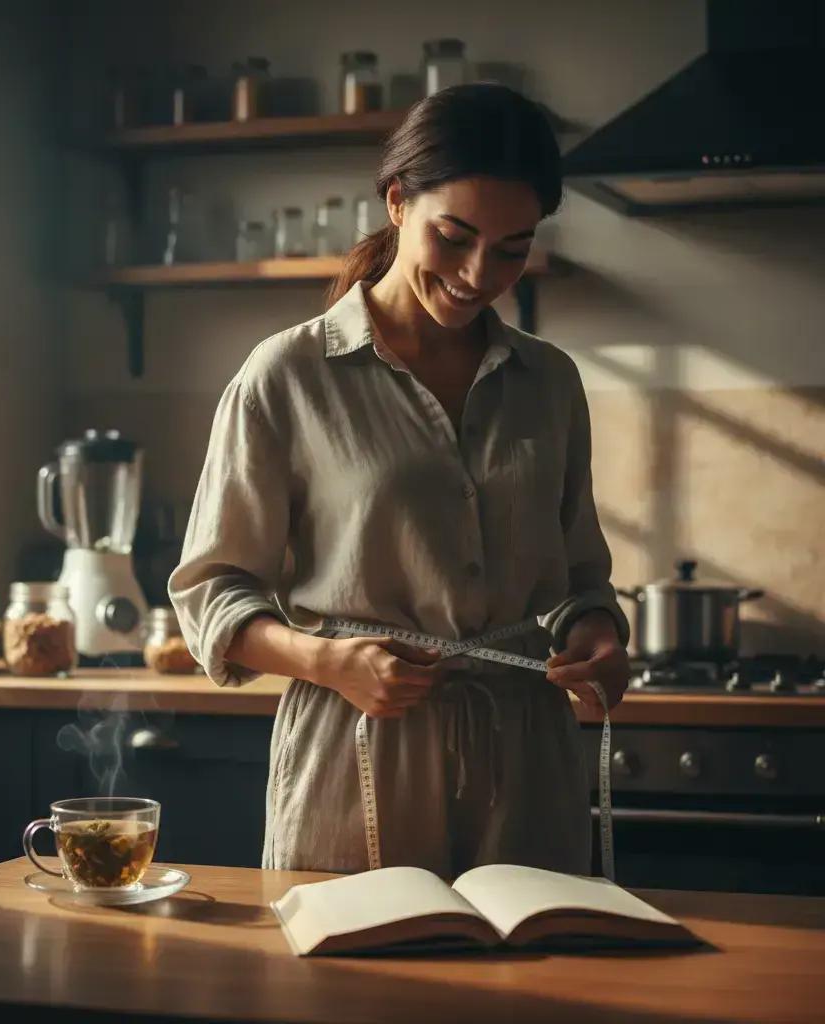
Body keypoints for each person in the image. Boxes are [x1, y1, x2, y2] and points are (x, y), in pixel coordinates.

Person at [168, 83, 630, 877]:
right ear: (396, 203)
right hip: (357, 755)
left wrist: (597, 636)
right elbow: (210, 596)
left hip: (527, 767)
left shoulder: (549, 382)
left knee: (538, 996)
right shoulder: (288, 375)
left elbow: (580, 578)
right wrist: (329, 662)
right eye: (453, 237)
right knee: (348, 996)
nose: (479, 274)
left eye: (512, 248)